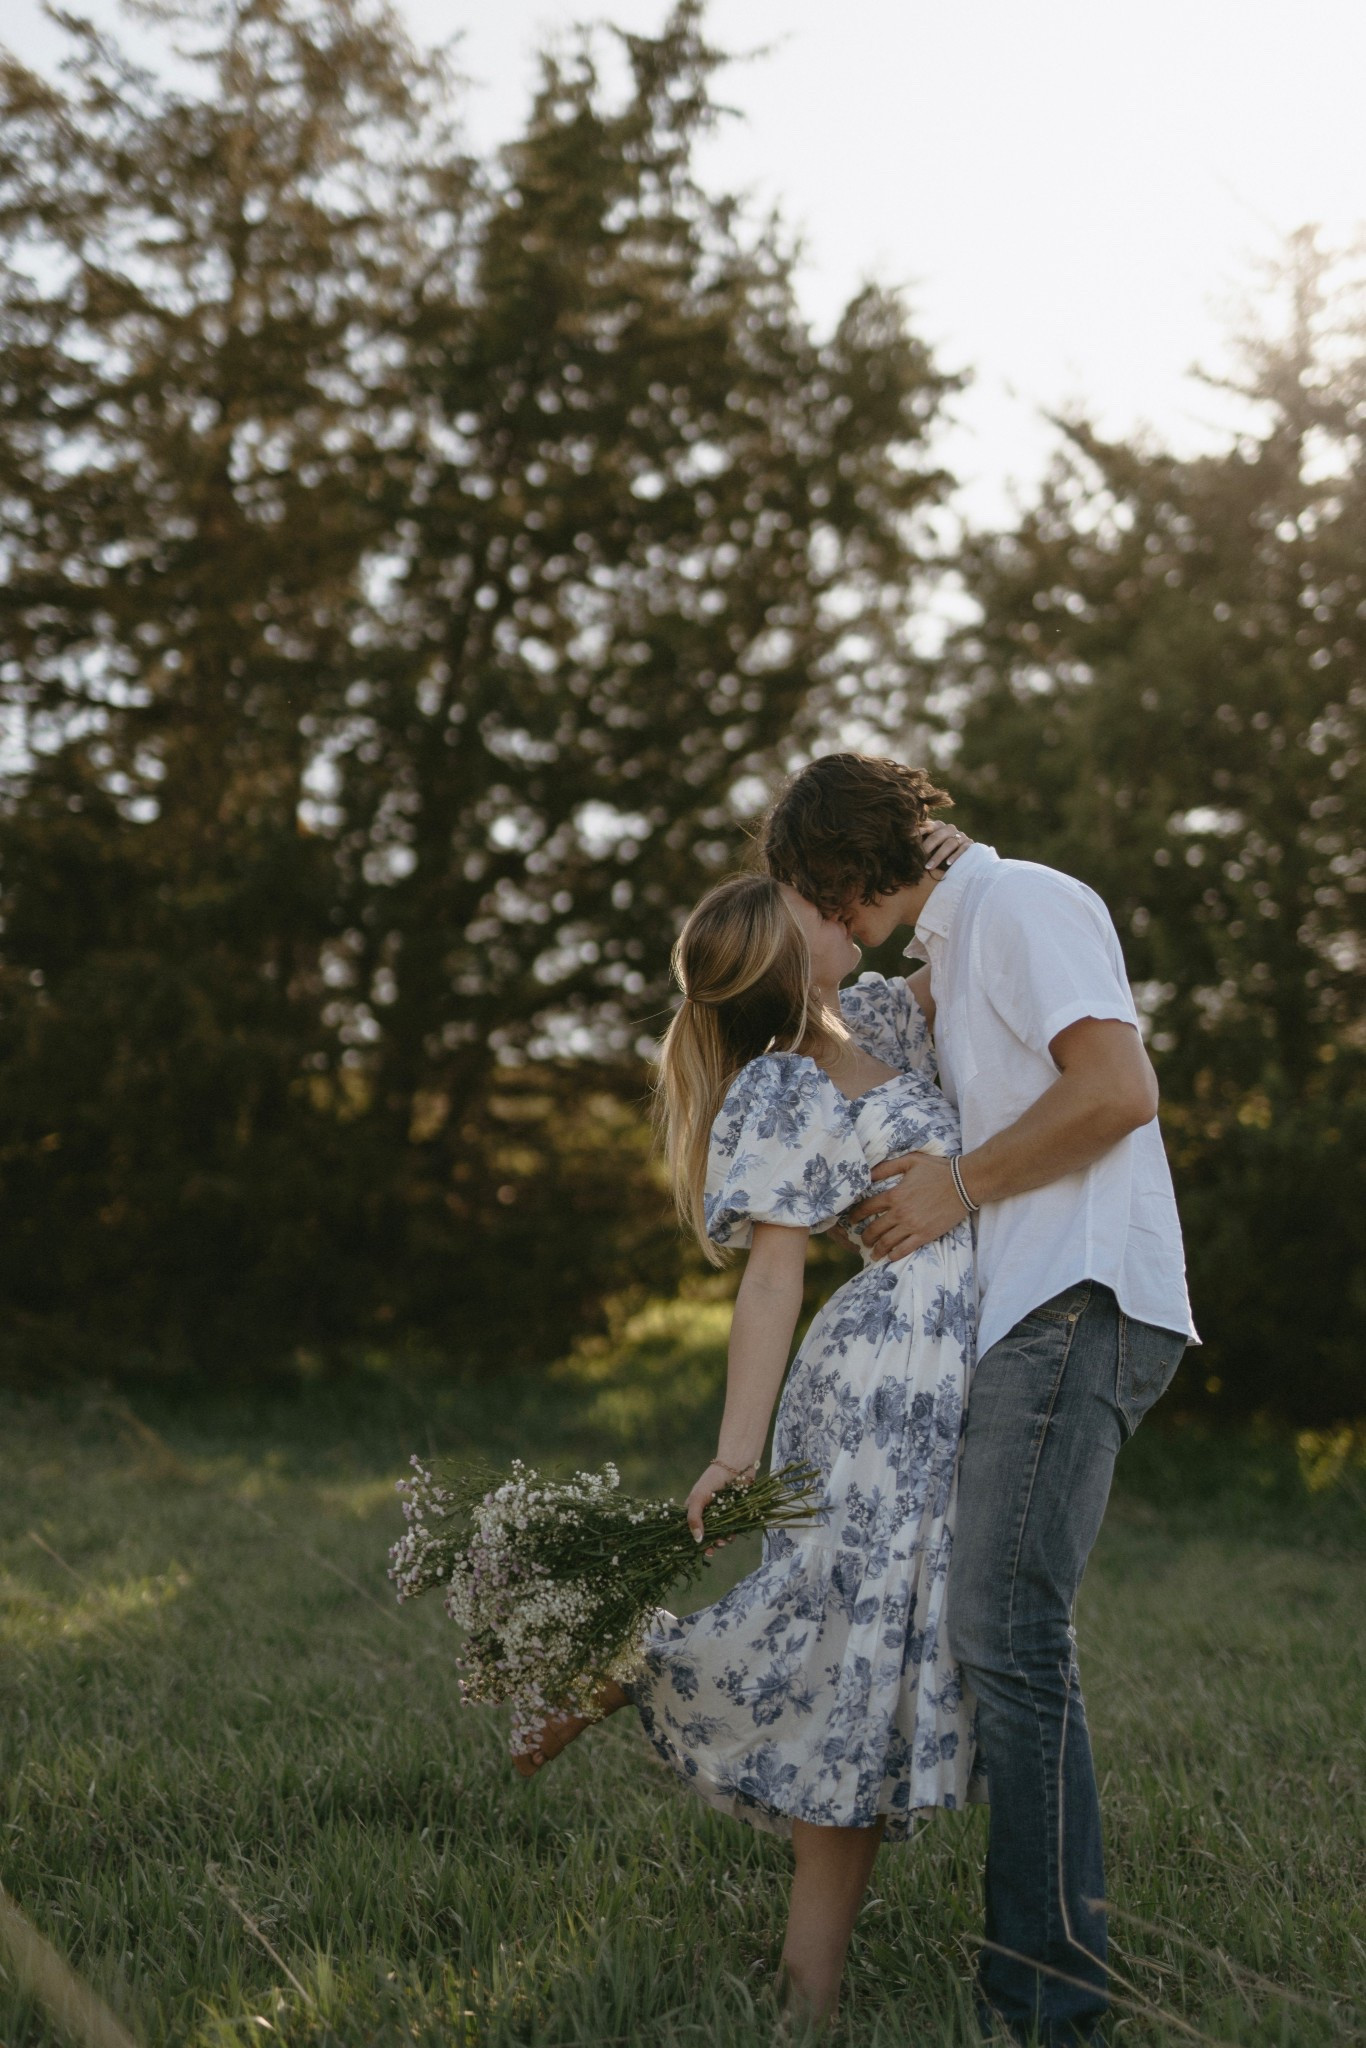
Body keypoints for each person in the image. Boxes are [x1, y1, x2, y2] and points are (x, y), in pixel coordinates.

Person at [513, 831, 983, 2029]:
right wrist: (734, 1449)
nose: (848, 906)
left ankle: (803, 1984)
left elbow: (969, 931)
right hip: (880, 1380)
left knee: (859, 1672)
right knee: (849, 1655)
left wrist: (961, 850)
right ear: (796, 954)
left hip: (940, 1374)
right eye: (823, 903)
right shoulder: (786, 1081)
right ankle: (637, 1669)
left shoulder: (876, 1023)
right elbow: (773, 1276)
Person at [763, 753, 1196, 2047]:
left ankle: (1044, 2011)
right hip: (1028, 1313)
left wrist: (957, 1188)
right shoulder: (955, 949)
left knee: (1008, 1636)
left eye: (808, 891)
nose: (810, 918)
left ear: (842, 875)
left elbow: (1118, 1091)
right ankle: (1039, 1995)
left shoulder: (1023, 905)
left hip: (1078, 1300)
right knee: (996, 1637)